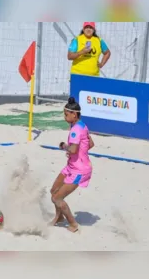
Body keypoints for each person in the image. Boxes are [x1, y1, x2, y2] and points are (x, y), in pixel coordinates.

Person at [49, 97, 95, 233]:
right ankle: (59, 217)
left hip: (79, 170)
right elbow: (90, 144)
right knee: (53, 191)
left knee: (57, 198)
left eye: (66, 114)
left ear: (74, 114)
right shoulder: (82, 125)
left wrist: (64, 146)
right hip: (72, 166)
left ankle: (73, 224)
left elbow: (73, 149)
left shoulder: (75, 130)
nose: (64, 117)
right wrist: (78, 154)